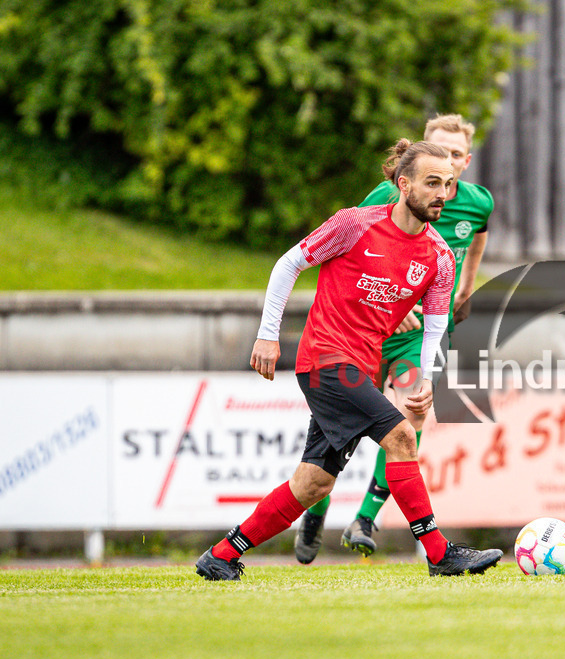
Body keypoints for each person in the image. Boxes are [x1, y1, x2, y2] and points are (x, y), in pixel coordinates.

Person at [195, 139, 502, 579]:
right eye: (432, 183)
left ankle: (223, 555)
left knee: (312, 484)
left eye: (449, 184)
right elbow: (288, 265)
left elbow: (435, 327)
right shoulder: (355, 224)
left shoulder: (438, 255)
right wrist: (268, 336)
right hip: (323, 359)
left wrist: (426, 382)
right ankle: (440, 554)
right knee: (401, 437)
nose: (443, 193)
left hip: (361, 367)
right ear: (403, 184)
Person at [293, 114, 492, 564]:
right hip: (367, 333)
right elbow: (358, 242)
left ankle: (366, 517)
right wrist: (386, 301)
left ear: (467, 160)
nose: (449, 161)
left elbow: (477, 240)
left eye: (457, 155)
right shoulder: (391, 194)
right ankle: (315, 506)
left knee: (412, 415)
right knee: (336, 434)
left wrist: (466, 287)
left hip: (416, 334)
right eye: (438, 149)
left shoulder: (478, 203)